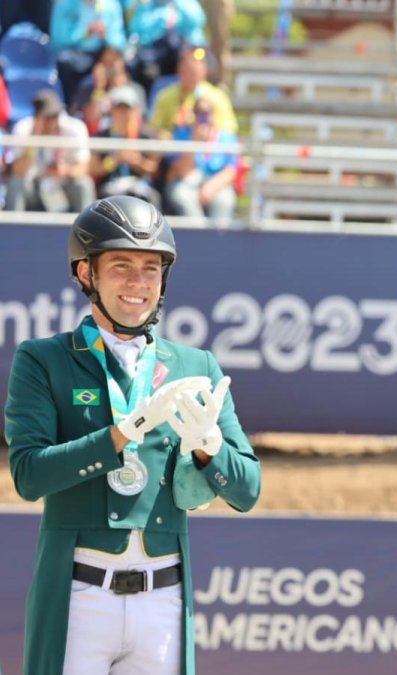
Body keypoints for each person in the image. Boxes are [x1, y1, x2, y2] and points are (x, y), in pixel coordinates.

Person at [5, 196, 261, 674]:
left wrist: (210, 449)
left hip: (163, 600)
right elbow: (29, 476)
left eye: (150, 268)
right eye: (121, 265)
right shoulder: (43, 359)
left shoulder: (196, 365)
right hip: (80, 596)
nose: (138, 282)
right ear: (87, 273)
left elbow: (248, 490)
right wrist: (127, 431)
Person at [5, 90, 95, 214]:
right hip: (34, 186)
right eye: (47, 117)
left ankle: (85, 226)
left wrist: (64, 171)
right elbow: (18, 171)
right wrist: (34, 139)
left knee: (83, 184)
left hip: (64, 184)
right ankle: (13, 226)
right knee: (16, 184)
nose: (53, 121)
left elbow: (84, 168)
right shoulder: (23, 128)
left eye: (56, 115)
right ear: (37, 117)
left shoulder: (75, 128)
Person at [165, 97, 238, 225]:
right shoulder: (182, 134)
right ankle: (199, 233)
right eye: (199, 112)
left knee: (225, 200)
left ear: (213, 114)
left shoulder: (227, 137)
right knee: (182, 195)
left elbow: (231, 171)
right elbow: (180, 171)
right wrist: (195, 141)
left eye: (207, 112)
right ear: (194, 114)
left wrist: (210, 187)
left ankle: (219, 237)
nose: (204, 116)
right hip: (188, 181)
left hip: (216, 183)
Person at [91, 86, 163, 208]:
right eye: (119, 108)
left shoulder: (146, 135)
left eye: (128, 108)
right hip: (110, 186)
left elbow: (155, 170)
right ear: (112, 110)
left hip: (139, 185)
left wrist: (137, 161)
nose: (124, 113)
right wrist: (114, 160)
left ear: (136, 110)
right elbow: (92, 168)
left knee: (152, 199)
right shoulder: (102, 135)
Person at [148, 45, 238, 136]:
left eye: (195, 71)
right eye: (188, 69)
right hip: (174, 143)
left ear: (205, 71)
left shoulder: (217, 97)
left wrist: (209, 132)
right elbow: (155, 127)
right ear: (179, 69)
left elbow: (229, 130)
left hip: (207, 143)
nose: (191, 74)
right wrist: (171, 137)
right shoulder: (166, 96)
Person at [50, 0, 128, 102]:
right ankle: (68, 105)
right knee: (64, 61)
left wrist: (106, 35)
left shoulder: (111, 5)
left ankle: (119, 104)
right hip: (77, 53)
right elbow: (59, 40)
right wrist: (85, 33)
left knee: (123, 64)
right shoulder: (65, 5)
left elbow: (120, 41)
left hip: (103, 55)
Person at [127, 0, 208, 92]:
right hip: (157, 54)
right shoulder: (148, 5)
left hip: (186, 50)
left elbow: (198, 20)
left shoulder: (186, 3)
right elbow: (137, 28)